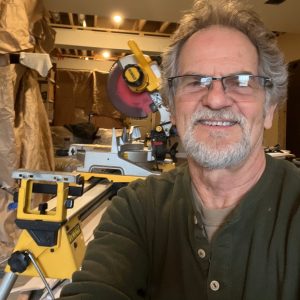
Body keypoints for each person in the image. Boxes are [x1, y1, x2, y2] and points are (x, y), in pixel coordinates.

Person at [59, 0, 300, 299]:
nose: (215, 99)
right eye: (195, 81)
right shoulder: (137, 209)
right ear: (171, 107)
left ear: (269, 110)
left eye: (240, 81)